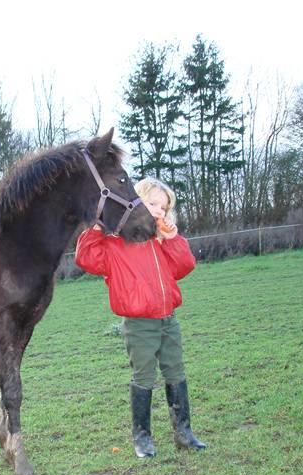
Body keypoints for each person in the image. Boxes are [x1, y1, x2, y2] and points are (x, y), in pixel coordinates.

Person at [75, 177, 206, 458]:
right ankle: (142, 438)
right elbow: (85, 258)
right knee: (144, 376)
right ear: (136, 202)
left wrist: (171, 238)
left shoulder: (161, 241)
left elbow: (185, 266)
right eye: (153, 204)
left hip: (168, 320)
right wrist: (98, 225)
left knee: (176, 373)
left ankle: (184, 434)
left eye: (164, 207)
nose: (159, 211)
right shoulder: (115, 243)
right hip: (139, 325)